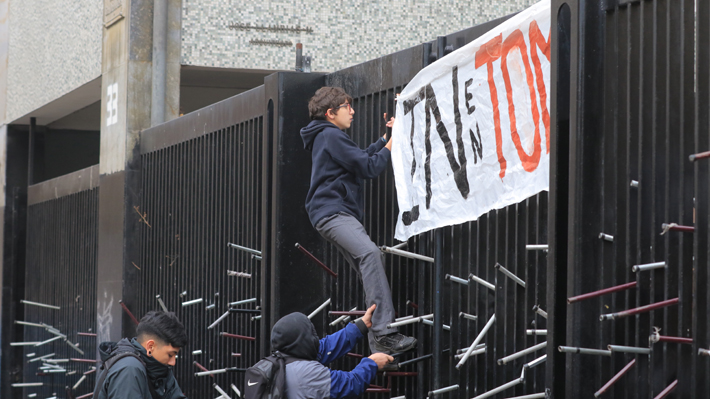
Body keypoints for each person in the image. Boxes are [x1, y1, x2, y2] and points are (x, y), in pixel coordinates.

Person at [300, 86, 416, 355]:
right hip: (333, 212)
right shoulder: (330, 135)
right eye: (346, 107)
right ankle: (385, 333)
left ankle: (380, 350)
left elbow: (360, 159)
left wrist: (386, 139)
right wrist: (392, 141)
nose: (352, 111)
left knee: (370, 265)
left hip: (328, 213)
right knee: (370, 255)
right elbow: (370, 167)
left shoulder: (326, 136)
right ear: (331, 113)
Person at [272, 304, 393, 398]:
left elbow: (323, 348)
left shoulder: (277, 362)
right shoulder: (307, 374)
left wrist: (360, 326)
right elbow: (351, 384)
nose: (315, 337)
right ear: (302, 339)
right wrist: (372, 364)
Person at [94, 311, 188, 399]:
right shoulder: (129, 368)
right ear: (150, 347)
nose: (173, 362)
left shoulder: (159, 369)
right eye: (170, 355)